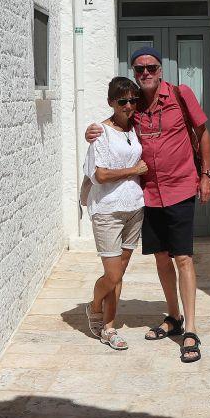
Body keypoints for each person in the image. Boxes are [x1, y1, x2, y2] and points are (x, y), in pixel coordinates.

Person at [86, 47, 210, 363]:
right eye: (139, 69)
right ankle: (173, 317)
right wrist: (93, 130)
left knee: (183, 258)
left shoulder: (181, 95)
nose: (146, 73)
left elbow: (202, 133)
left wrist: (207, 175)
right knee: (161, 258)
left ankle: (191, 329)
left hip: (180, 187)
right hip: (150, 194)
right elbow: (113, 126)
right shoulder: (134, 104)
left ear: (160, 69)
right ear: (134, 72)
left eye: (151, 67)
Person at [82, 76, 148, 350]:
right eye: (122, 101)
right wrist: (134, 170)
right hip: (108, 210)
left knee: (119, 274)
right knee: (112, 275)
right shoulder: (101, 132)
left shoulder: (135, 129)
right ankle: (94, 306)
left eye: (133, 100)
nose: (129, 106)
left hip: (135, 208)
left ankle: (109, 328)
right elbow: (100, 175)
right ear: (111, 102)